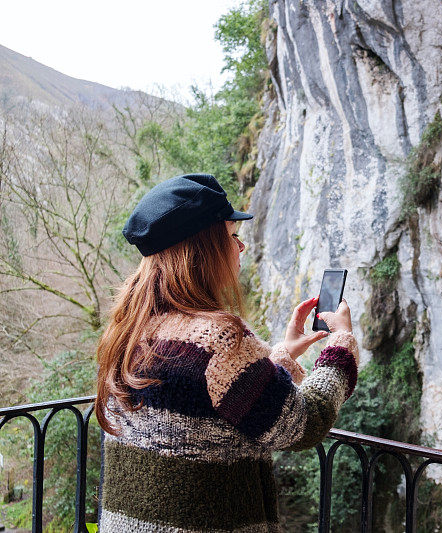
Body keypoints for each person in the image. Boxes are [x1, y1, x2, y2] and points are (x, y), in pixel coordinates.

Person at [95, 173, 359, 532]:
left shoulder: (131, 327)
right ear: (205, 250)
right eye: (233, 237)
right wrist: (340, 346)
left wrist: (281, 357)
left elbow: (209, 403)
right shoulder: (218, 338)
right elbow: (302, 424)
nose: (241, 248)